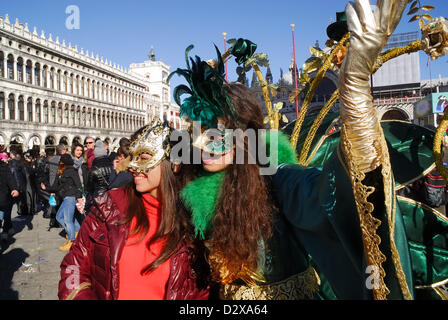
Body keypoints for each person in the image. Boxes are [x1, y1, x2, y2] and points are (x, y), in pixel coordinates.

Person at [169, 0, 419, 300]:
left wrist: (354, 92)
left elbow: (333, 195)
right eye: (195, 133)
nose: (199, 145)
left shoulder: (276, 179)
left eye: (214, 134)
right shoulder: (191, 185)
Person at [58, 119, 209, 300]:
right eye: (133, 157)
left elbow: (202, 292)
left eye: (144, 158)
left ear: (174, 164)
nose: (133, 166)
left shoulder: (195, 222)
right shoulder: (108, 207)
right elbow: (73, 267)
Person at [42, 154, 84, 251]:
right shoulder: (63, 171)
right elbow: (58, 187)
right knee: (59, 217)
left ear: (63, 162)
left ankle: (72, 240)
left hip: (71, 197)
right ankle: (76, 233)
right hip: (66, 197)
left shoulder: (72, 171)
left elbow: (78, 185)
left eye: (60, 162)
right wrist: (47, 188)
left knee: (68, 220)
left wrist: (78, 197)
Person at [0, 157, 19, 249]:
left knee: (5, 215)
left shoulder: (4, 167)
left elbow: (10, 178)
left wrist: (14, 188)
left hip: (4, 197)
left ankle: (5, 232)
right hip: (4, 198)